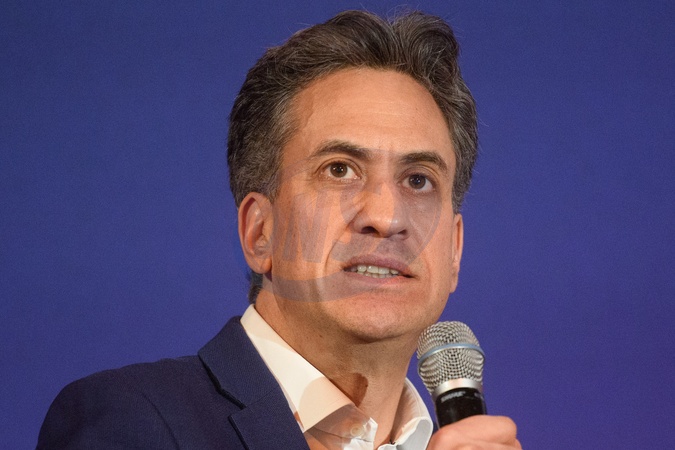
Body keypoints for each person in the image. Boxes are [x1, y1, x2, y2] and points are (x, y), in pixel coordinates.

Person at [38, 10, 520, 449]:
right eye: (339, 170)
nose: (386, 217)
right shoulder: (131, 422)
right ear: (259, 232)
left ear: (454, 251)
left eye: (418, 180)